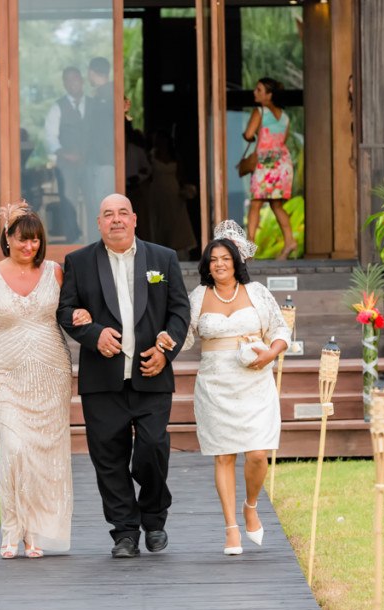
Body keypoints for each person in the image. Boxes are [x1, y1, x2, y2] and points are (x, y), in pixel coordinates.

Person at [57, 193, 190, 558]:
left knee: (152, 448)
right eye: (108, 215)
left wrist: (166, 352)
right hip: (102, 379)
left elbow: (179, 310)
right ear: (98, 223)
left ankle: (154, 517)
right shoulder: (79, 262)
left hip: (152, 373)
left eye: (122, 213)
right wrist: (93, 333)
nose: (116, 220)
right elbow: (66, 310)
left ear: (135, 219)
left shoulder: (163, 258)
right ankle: (125, 533)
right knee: (109, 458)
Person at [0, 201, 84, 559]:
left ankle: (36, 532)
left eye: (36, 241)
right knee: (13, 450)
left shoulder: (56, 272)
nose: (30, 247)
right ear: (7, 238)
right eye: (23, 240)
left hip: (51, 372)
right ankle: (12, 528)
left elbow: (72, 310)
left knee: (44, 455)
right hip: (4, 374)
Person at [181, 221, 291, 555]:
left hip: (255, 382)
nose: (219, 264)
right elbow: (182, 337)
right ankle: (231, 529)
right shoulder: (198, 296)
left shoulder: (257, 293)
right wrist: (160, 335)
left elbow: (280, 330)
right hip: (215, 385)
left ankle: (251, 505)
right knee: (224, 456)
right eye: (213, 259)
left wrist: (271, 353)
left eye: (225, 258)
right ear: (206, 265)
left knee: (257, 454)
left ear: (236, 261)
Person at [243, 77, 297, 260]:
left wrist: (249, 135)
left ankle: (249, 249)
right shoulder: (285, 116)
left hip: (265, 164)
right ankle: (289, 241)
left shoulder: (259, 111)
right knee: (276, 204)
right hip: (282, 164)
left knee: (256, 204)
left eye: (259, 90)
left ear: (269, 95)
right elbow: (283, 139)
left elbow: (249, 134)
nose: (255, 92)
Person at [44, 66, 89, 243]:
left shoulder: (92, 105)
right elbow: (50, 137)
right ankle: (73, 242)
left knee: (94, 201)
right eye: (67, 81)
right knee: (68, 203)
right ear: (64, 84)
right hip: (67, 166)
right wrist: (65, 154)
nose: (71, 84)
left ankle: (97, 240)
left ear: (82, 80)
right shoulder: (58, 107)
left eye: (74, 79)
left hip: (90, 164)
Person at [146, 128, 196, 260]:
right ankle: (160, 253)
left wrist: (184, 189)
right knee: (159, 222)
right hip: (157, 192)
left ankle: (178, 252)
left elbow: (181, 175)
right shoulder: (151, 155)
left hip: (173, 192)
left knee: (175, 222)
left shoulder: (174, 156)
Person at [83, 57, 117, 232]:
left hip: (104, 160)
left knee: (104, 206)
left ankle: (106, 247)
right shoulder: (104, 94)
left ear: (91, 72)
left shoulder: (108, 95)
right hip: (101, 159)